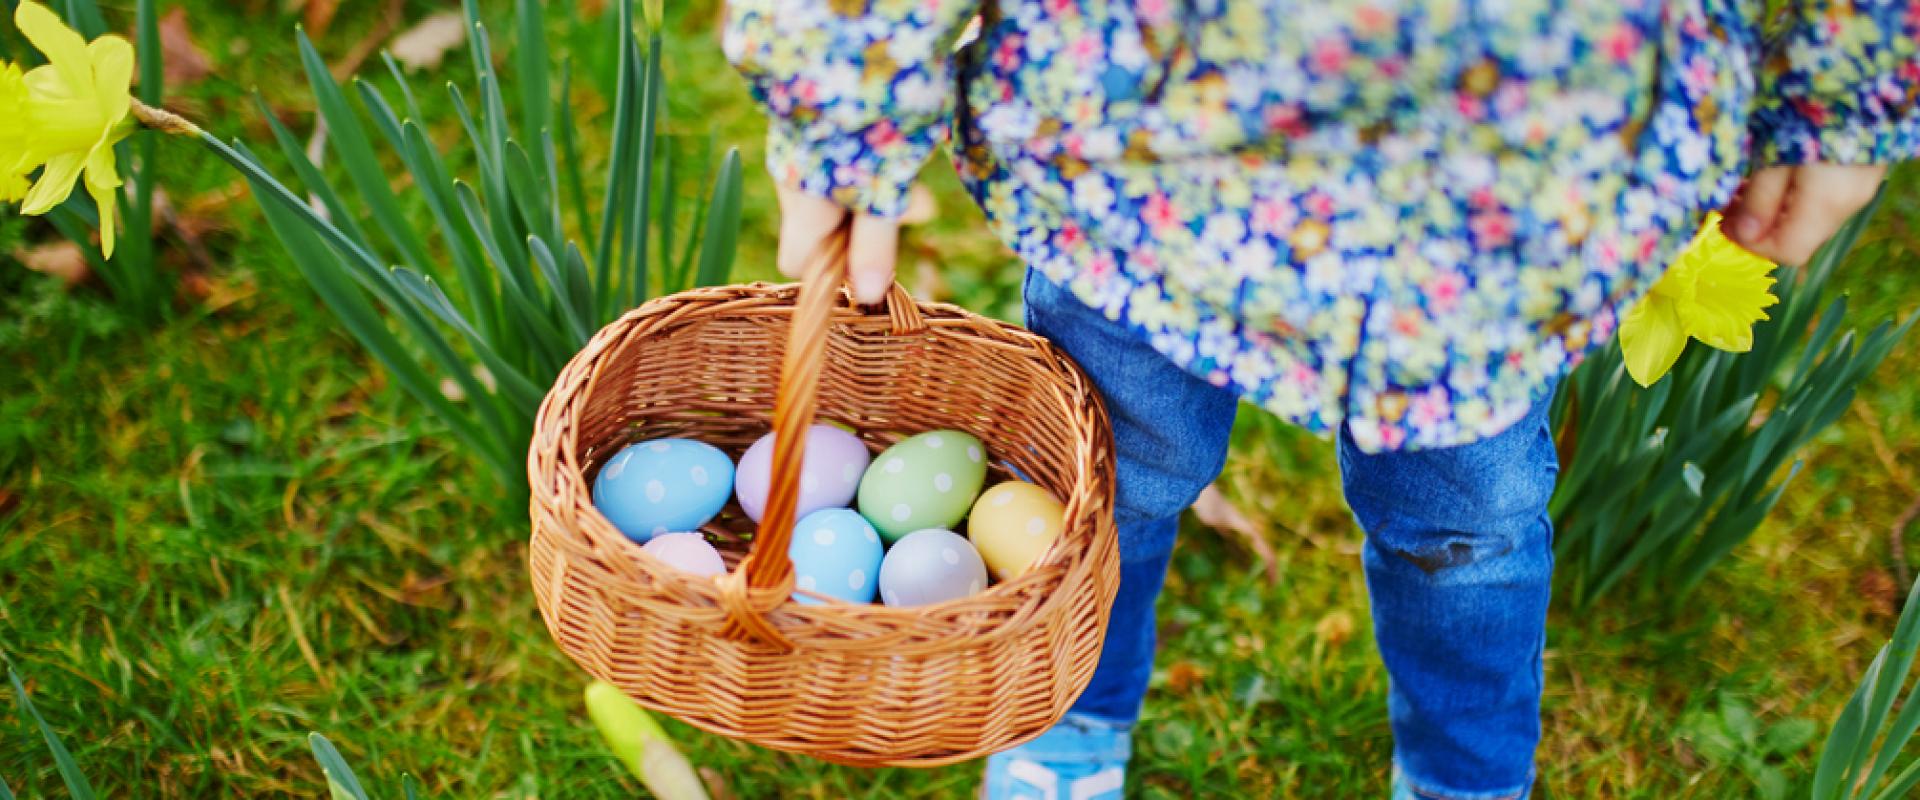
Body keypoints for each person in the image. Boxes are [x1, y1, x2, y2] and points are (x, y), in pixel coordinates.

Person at [724, 1, 1914, 797]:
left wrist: (1843, 70)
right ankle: (1070, 718)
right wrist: (847, 81)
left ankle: (1463, 775)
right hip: (1152, 157)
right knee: (1108, 474)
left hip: (1498, 188)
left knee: (1470, 518)